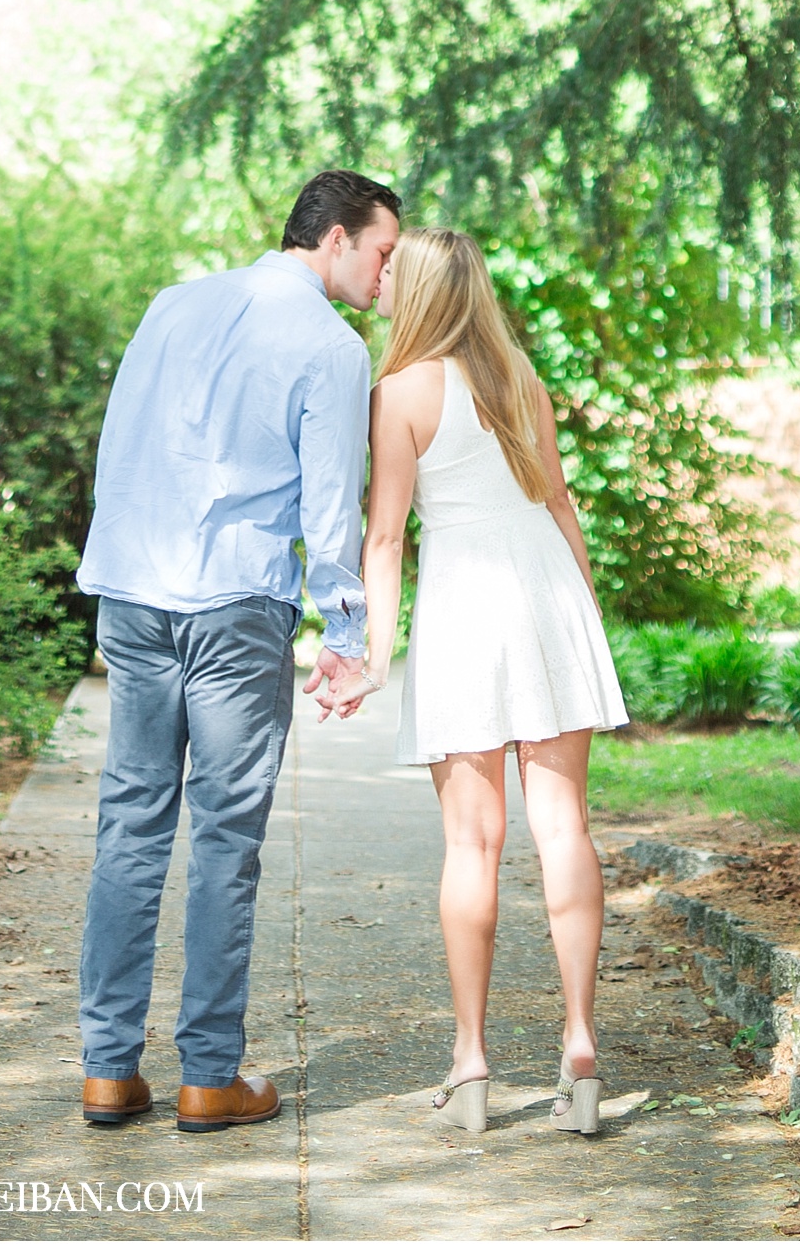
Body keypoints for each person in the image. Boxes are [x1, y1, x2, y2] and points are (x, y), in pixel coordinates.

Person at [73, 169, 401, 1133]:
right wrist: (344, 637)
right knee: (224, 837)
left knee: (129, 824)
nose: (385, 275)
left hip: (134, 593)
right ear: (335, 238)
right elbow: (328, 505)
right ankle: (209, 1077)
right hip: (232, 607)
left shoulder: (174, 303)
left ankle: (105, 1069)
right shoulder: (329, 346)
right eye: (381, 252)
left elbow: (119, 444)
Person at [350, 227, 627, 1137]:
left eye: (394, 269)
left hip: (467, 606)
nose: (380, 278)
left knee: (472, 847)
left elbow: (386, 539)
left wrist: (372, 653)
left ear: (423, 288)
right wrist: (583, 621)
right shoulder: (520, 378)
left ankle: (471, 1066)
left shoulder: (400, 389)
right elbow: (557, 502)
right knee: (564, 829)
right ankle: (579, 1047)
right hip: (545, 594)